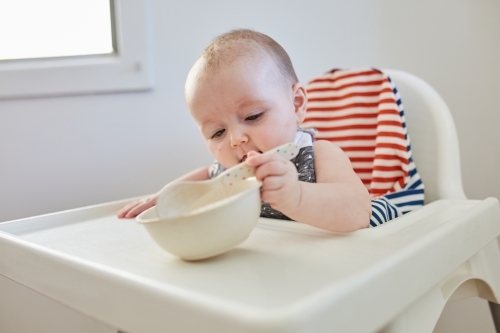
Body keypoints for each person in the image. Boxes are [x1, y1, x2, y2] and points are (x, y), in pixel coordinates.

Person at [117, 29, 371, 232]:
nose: (236, 140)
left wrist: (297, 196)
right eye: (218, 132)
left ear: (297, 104)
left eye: (253, 116)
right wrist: (165, 197)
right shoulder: (227, 172)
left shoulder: (317, 155)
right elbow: (202, 182)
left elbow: (359, 211)